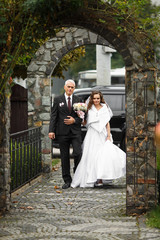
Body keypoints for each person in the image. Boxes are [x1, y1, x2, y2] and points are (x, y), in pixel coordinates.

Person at [71, 91, 126, 188]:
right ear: (91, 99)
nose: (96, 100)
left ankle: (100, 177)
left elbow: (107, 123)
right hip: (92, 134)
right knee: (91, 155)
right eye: (94, 98)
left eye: (98, 98)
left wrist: (108, 136)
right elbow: (85, 123)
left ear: (100, 99)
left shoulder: (105, 108)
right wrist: (81, 116)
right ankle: (91, 177)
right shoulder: (88, 109)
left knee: (102, 155)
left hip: (102, 134)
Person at [48, 79, 82, 189]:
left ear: (74, 88)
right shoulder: (58, 99)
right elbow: (54, 116)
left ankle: (77, 175)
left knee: (78, 153)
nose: (70, 89)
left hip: (75, 132)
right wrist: (51, 130)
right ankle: (67, 180)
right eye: (68, 87)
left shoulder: (78, 100)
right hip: (62, 132)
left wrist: (74, 120)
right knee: (64, 156)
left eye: (72, 87)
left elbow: (82, 118)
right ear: (64, 87)